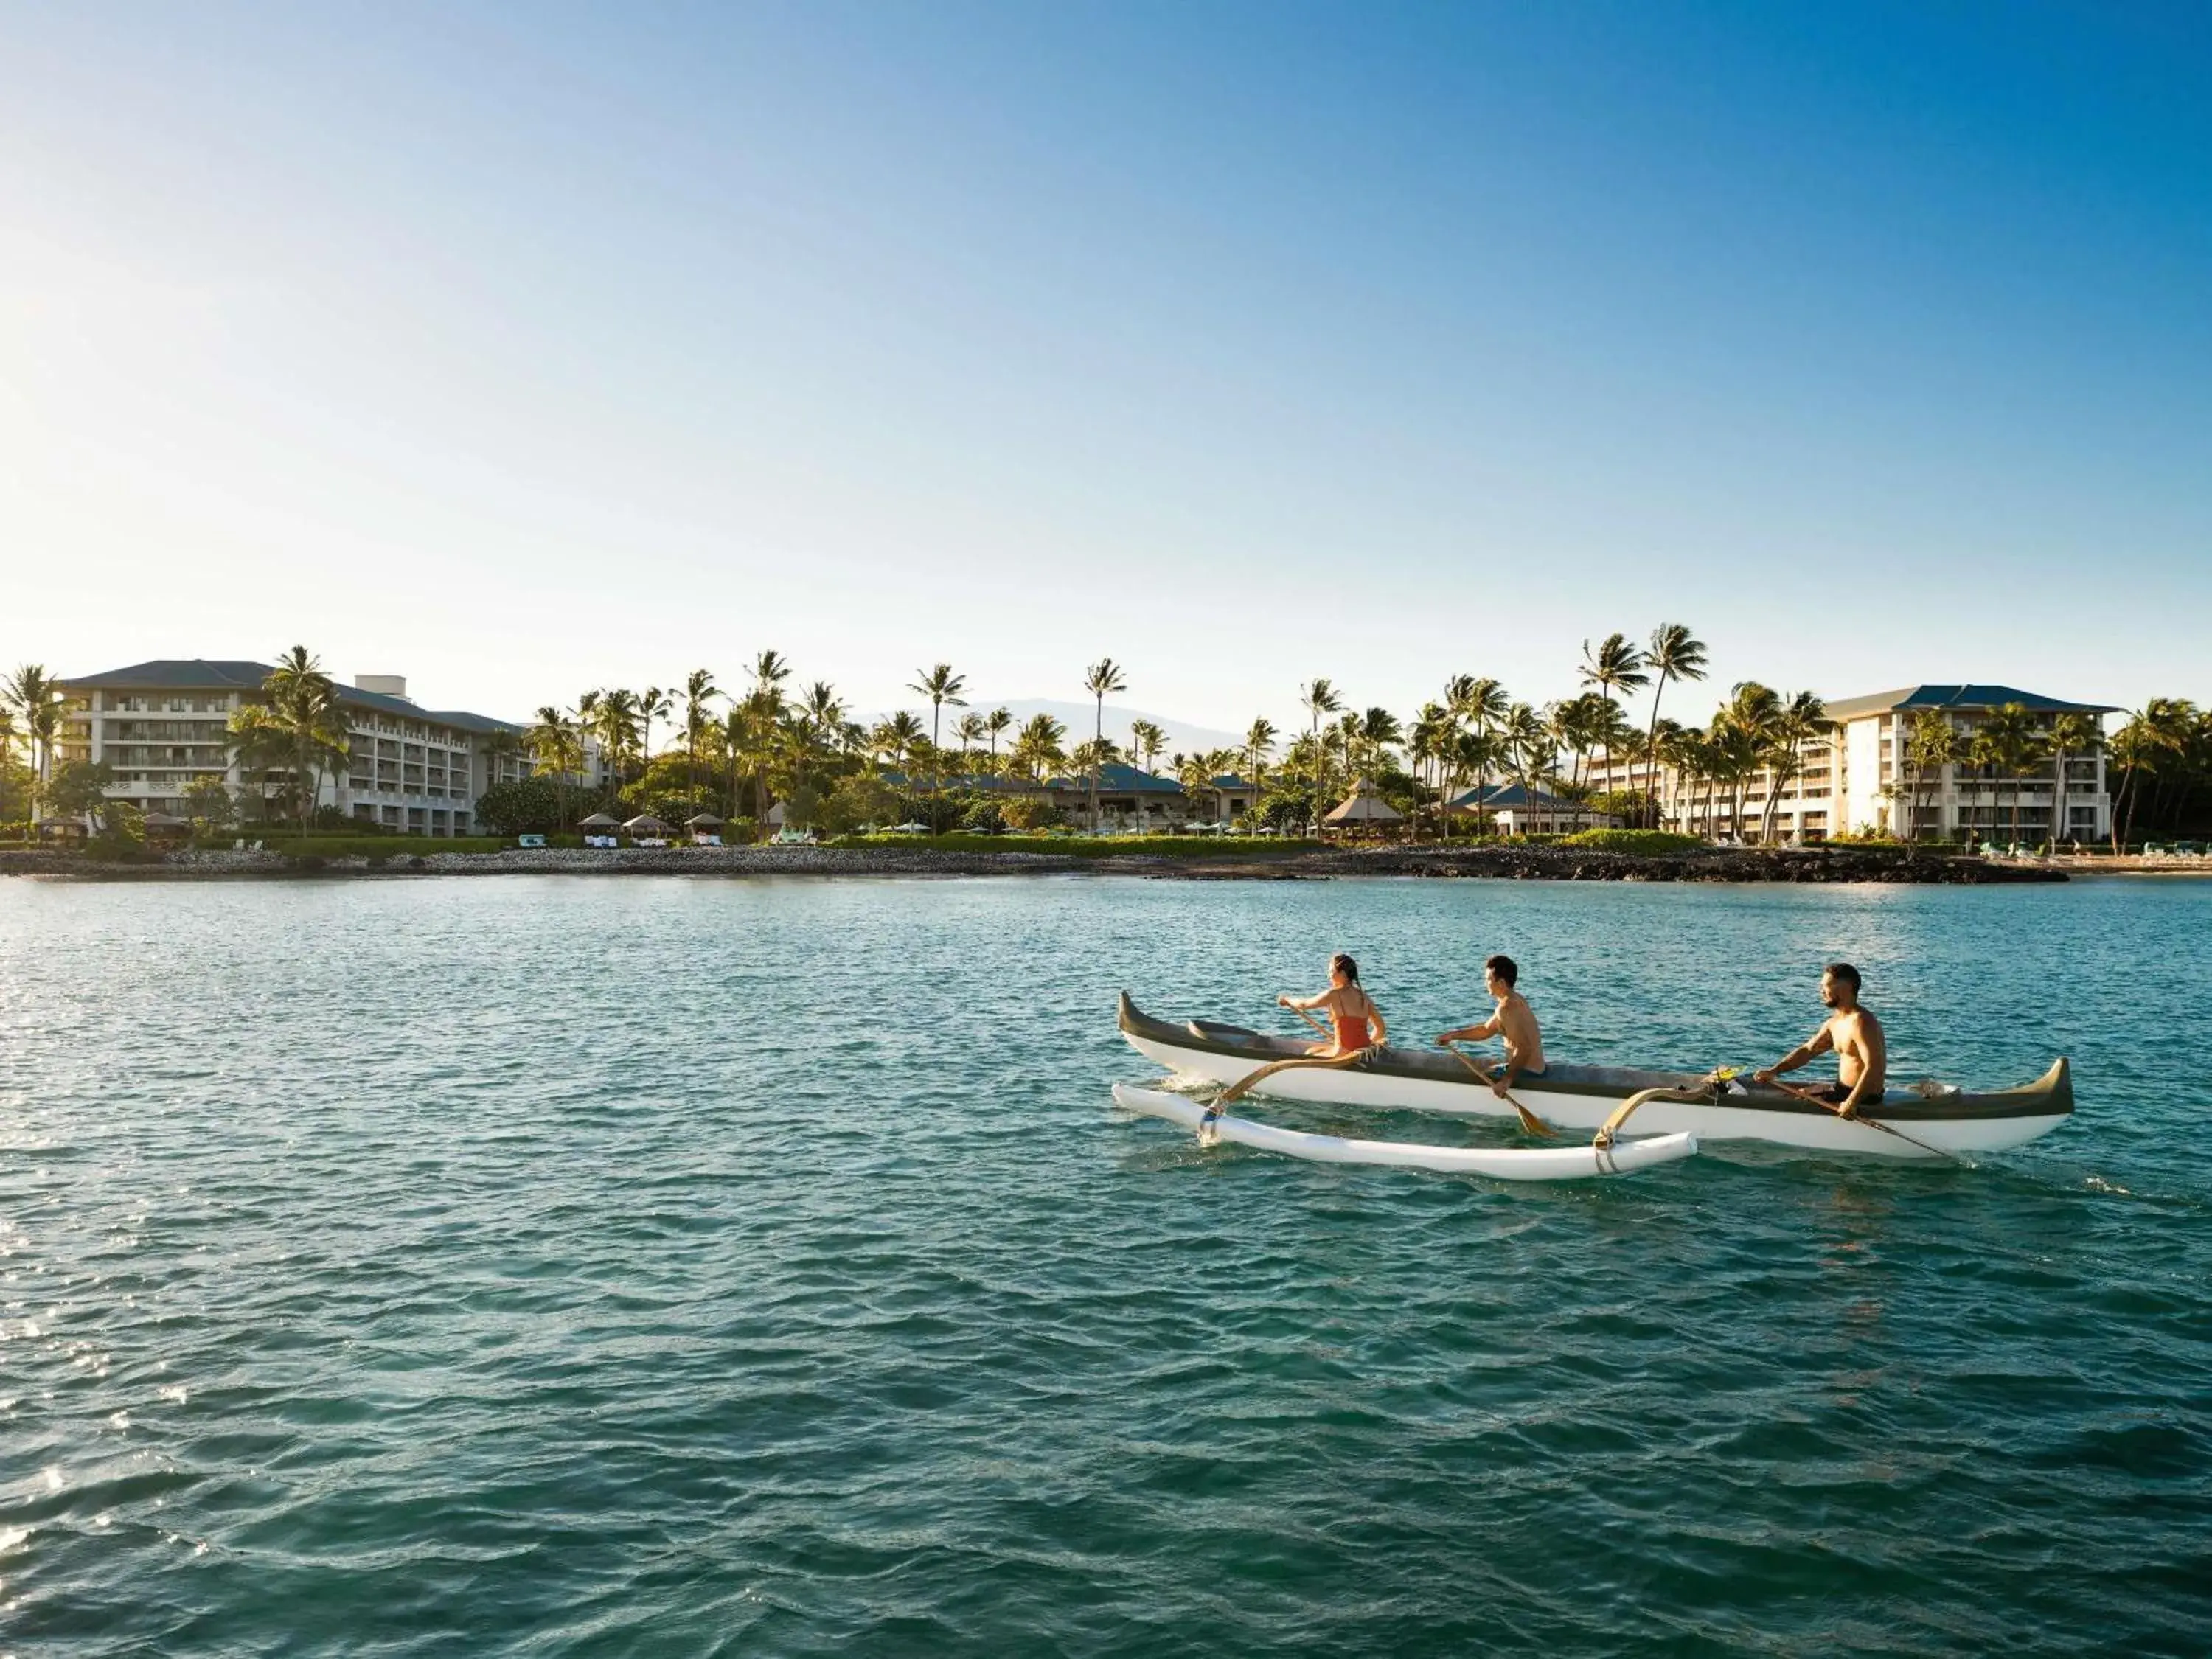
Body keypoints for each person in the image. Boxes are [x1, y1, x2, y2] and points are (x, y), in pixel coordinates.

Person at [1753, 961, 1887, 1117]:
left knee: (1795, 1101)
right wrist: (1774, 1071)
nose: (1821, 991)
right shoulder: (1834, 1023)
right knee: (1796, 1094)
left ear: (1846, 988)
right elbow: (1808, 1051)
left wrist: (1852, 1102)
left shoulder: (1862, 1022)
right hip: (1841, 1091)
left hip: (1863, 1098)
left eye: (1826, 986)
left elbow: (1874, 1067)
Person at [1433, 954, 1546, 1097]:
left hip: (1528, 1073)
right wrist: (1453, 1035)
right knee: (1487, 1067)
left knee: (1479, 1074)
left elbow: (1524, 1048)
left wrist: (1506, 1081)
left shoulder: (1507, 1008)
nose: (1485, 984)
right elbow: (1486, 1030)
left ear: (1501, 983)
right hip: (1537, 1069)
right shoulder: (1516, 999)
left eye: (1488, 979)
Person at [1278, 953, 1386, 1057]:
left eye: (1331, 971)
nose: (1328, 976)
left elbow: (1303, 1004)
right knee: (1313, 1050)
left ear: (1343, 973)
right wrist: (1366, 1046)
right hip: (1362, 1053)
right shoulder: (1364, 997)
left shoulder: (1334, 994)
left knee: (1309, 1054)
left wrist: (1287, 1000)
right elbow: (1380, 1028)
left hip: (1342, 1054)